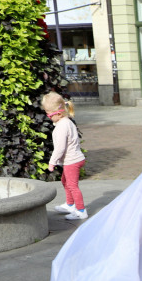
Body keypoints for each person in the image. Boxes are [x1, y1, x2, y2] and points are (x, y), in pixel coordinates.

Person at [44, 92, 87, 221]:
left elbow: (60, 148)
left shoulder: (63, 126)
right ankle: (70, 204)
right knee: (65, 181)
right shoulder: (65, 122)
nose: (48, 117)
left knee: (73, 186)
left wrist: (52, 162)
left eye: (49, 114)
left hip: (72, 161)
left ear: (58, 113)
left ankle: (80, 210)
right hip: (72, 159)